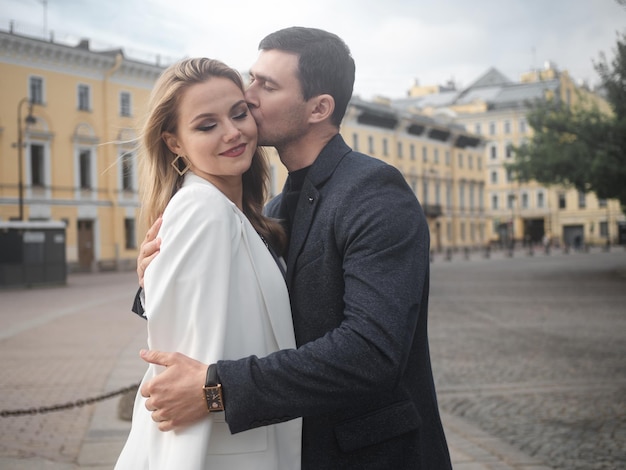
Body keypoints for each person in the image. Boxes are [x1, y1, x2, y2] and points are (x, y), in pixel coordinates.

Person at [135, 27, 452, 469]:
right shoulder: (276, 207)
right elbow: (249, 306)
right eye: (252, 78)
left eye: (268, 85)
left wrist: (217, 389)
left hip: (373, 456)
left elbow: (371, 352)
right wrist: (158, 280)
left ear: (319, 108)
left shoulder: (374, 191)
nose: (249, 95)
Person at [116, 57, 301, 469]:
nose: (233, 132)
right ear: (174, 142)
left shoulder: (238, 213)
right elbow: (182, 379)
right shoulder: (204, 210)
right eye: (206, 125)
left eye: (239, 114)